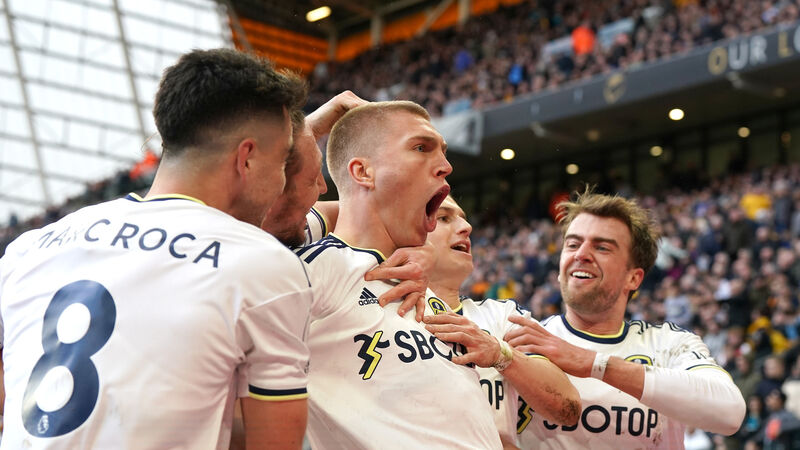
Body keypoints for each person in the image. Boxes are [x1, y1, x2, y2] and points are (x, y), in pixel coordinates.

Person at [0, 48, 313, 449]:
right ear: (246, 158)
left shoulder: (31, 248)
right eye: (283, 162)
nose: (282, 181)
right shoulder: (262, 264)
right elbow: (275, 443)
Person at [296, 101, 502, 448]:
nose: (446, 166)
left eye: (443, 151)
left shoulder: (423, 286)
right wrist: (307, 130)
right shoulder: (311, 270)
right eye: (421, 148)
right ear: (363, 172)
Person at [505, 190, 746, 449]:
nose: (581, 254)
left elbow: (730, 412)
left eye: (602, 247)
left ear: (633, 278)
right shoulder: (518, 341)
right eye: (573, 244)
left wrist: (594, 364)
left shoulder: (670, 343)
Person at [422, 195, 580, 448]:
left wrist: (500, 354)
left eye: (463, 218)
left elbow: (567, 408)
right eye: (444, 218)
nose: (467, 227)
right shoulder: (375, 311)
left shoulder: (504, 315)